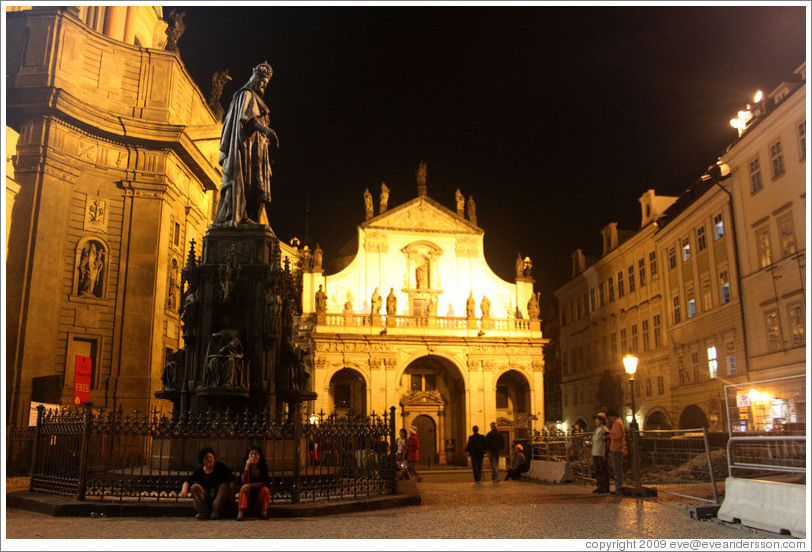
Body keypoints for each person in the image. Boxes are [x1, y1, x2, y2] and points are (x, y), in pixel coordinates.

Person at [213, 61, 279, 228]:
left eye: (266, 83)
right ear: (255, 78)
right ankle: (240, 216)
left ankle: (252, 219)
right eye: (262, 81)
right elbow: (248, 119)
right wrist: (267, 130)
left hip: (257, 149)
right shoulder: (246, 94)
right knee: (245, 181)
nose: (263, 85)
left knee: (259, 187)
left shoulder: (255, 97)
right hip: (246, 148)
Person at [179, 447, 235, 520]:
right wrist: (184, 489)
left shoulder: (220, 467)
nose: (209, 460)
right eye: (206, 458)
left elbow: (231, 479)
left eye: (210, 457)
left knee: (224, 486)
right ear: (202, 460)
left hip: (219, 497)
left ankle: (216, 511)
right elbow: (188, 481)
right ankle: (203, 512)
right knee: (195, 487)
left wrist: (231, 493)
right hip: (206, 497)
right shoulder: (200, 471)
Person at [237, 446, 270, 521]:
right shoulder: (245, 467)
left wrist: (251, 486)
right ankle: (240, 512)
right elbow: (244, 482)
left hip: (259, 496)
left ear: (260, 456)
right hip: (249, 498)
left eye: (256, 454)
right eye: (251, 454)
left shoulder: (263, 468)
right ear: (248, 456)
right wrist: (247, 468)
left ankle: (263, 512)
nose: (253, 456)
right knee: (243, 490)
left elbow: (265, 483)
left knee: (265, 490)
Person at [607, 408, 625, 496]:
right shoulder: (617, 422)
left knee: (617, 469)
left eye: (610, 418)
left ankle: (619, 489)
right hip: (616, 448)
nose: (609, 420)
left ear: (613, 416)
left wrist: (610, 435)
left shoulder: (617, 423)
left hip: (616, 448)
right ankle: (618, 488)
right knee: (617, 469)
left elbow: (618, 436)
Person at [592, 413, 610, 494]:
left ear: (601, 420)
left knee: (603, 470)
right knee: (598, 470)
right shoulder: (596, 429)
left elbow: (607, 442)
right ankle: (599, 486)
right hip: (596, 452)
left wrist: (606, 453)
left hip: (601, 452)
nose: (596, 421)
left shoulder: (604, 429)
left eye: (598, 419)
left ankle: (604, 487)